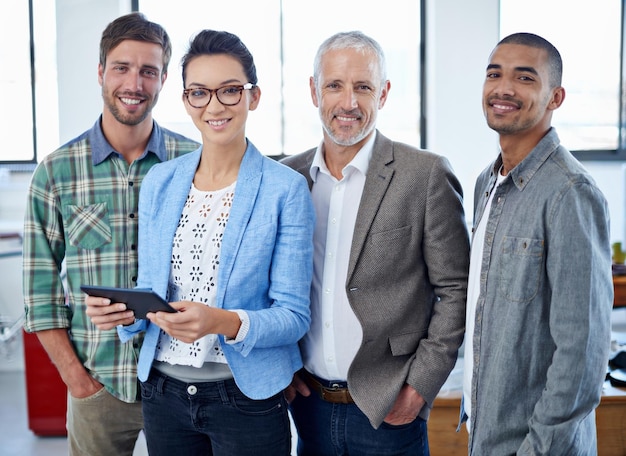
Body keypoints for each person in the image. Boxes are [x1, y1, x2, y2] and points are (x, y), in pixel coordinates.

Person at [86, 29, 315, 456]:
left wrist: (222, 321)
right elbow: (152, 298)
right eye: (199, 92)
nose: (214, 106)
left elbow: (293, 316)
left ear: (254, 96)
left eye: (230, 91)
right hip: (163, 394)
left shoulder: (286, 189)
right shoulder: (161, 182)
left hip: (245, 398)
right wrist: (123, 313)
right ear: (186, 99)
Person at [282, 31, 470, 456]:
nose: (348, 102)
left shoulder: (425, 175)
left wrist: (419, 387)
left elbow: (456, 290)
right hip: (307, 408)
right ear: (314, 91)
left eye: (362, 86)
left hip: (389, 412)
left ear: (383, 93)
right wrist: (283, 366)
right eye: (334, 85)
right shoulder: (287, 178)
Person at [22, 12, 199, 456]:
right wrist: (78, 382)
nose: (134, 83)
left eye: (149, 71)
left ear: (162, 82)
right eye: (122, 67)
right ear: (101, 72)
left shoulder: (194, 161)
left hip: (183, 383)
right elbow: (39, 296)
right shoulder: (57, 171)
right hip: (98, 383)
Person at [461, 32, 613, 455]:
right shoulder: (487, 183)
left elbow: (582, 356)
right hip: (487, 436)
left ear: (555, 97)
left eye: (525, 78)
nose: (504, 88)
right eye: (495, 74)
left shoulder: (570, 192)